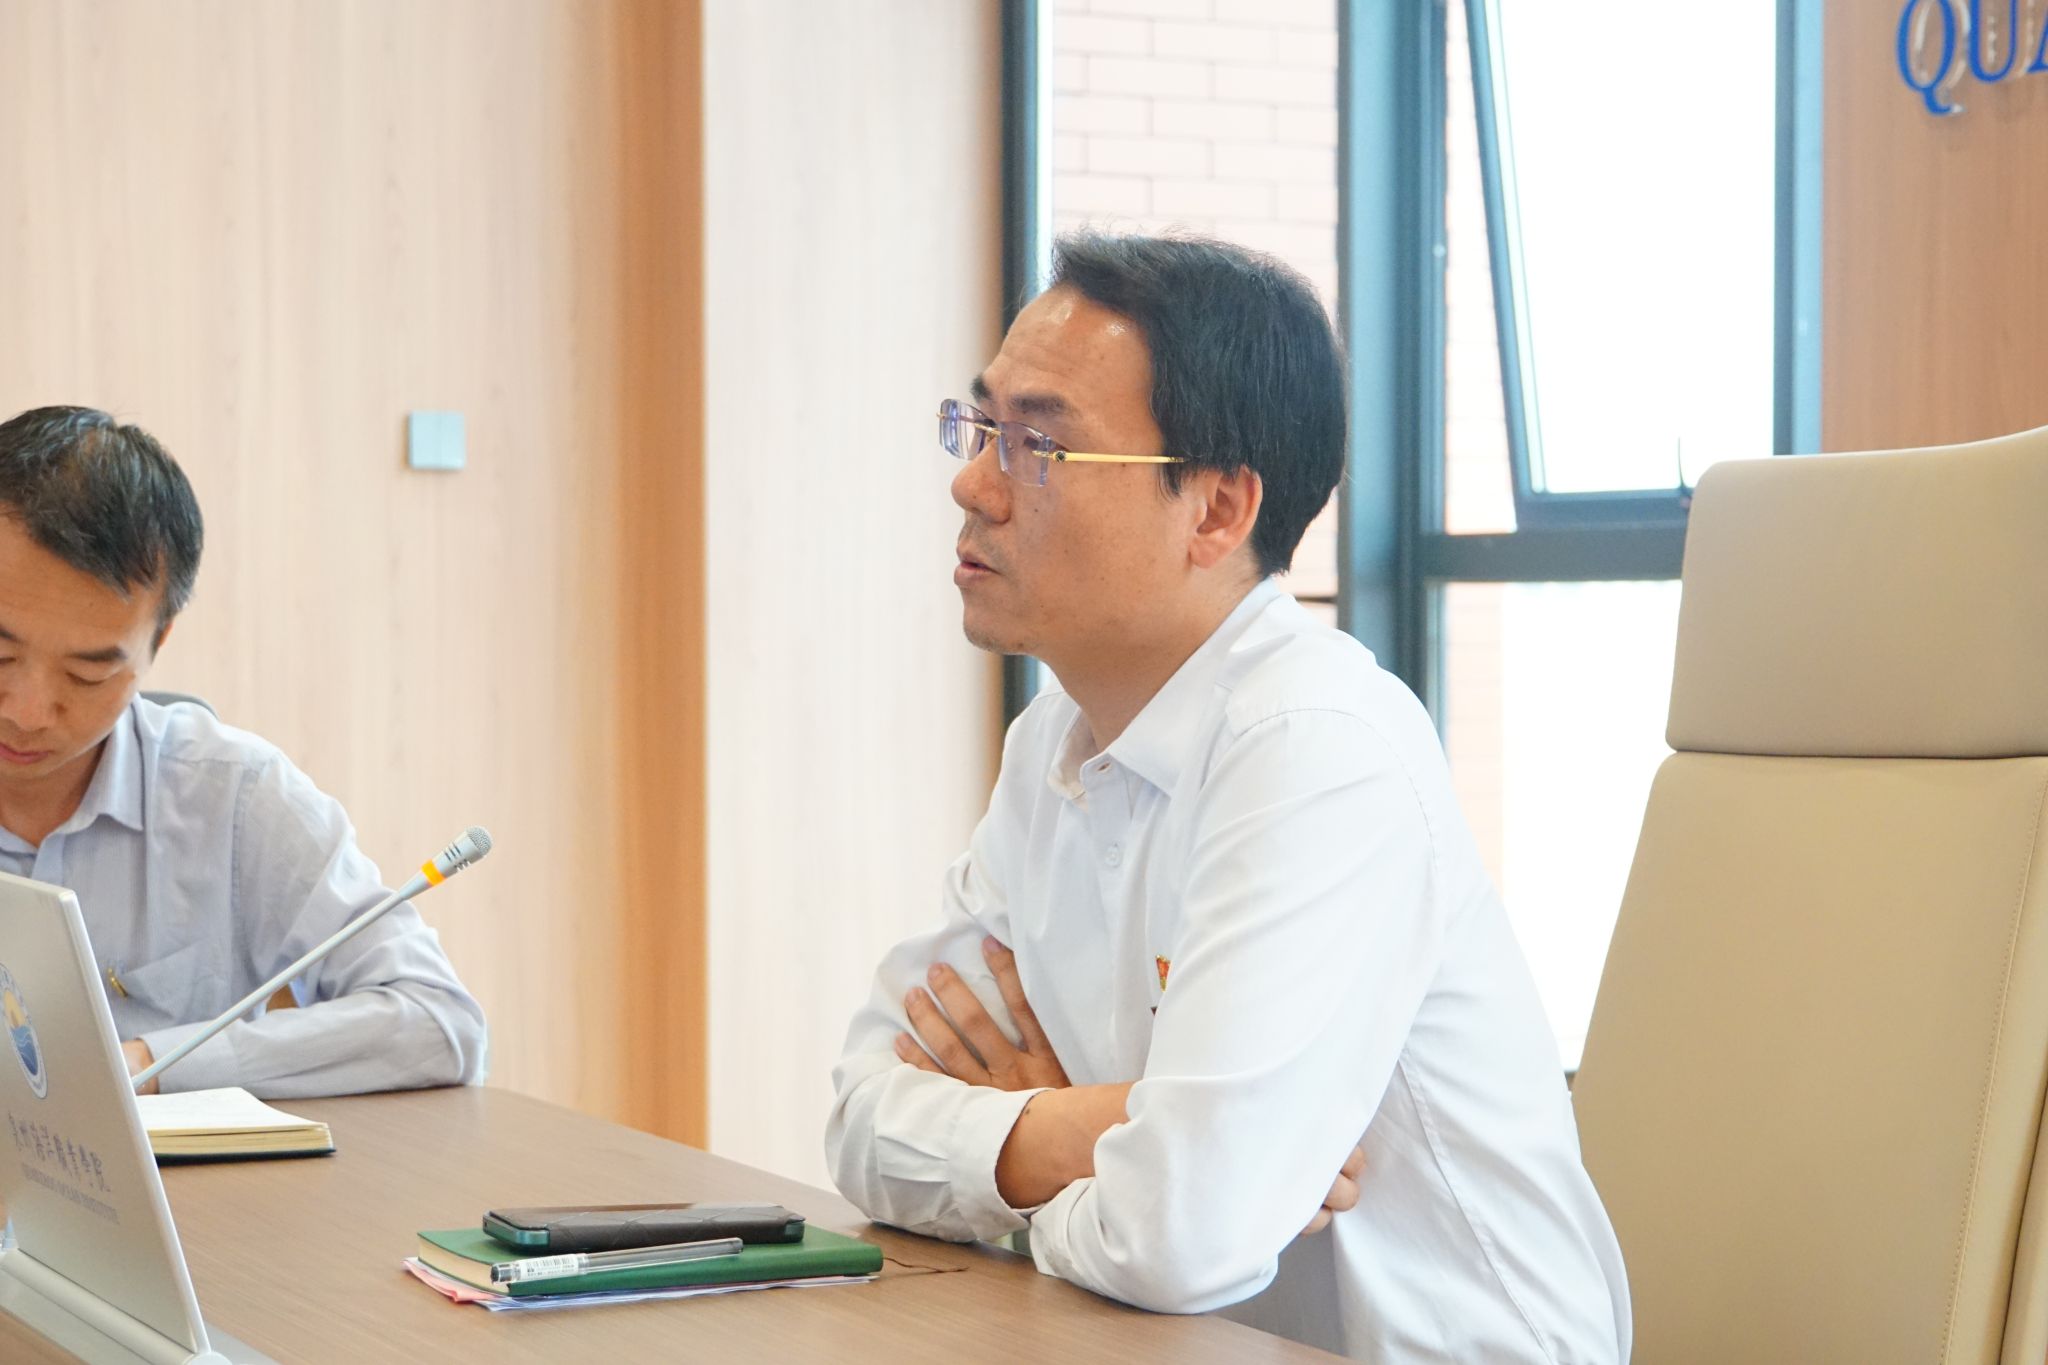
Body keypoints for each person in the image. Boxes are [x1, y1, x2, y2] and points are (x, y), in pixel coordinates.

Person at [824, 236, 1631, 1361]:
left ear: (1215, 511)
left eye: (1039, 446)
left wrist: (1031, 1168)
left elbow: (1177, 1237)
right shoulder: (1054, 739)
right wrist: (1091, 1128)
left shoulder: (1317, 749)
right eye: (981, 427)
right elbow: (861, 1118)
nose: (973, 484)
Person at [0, 405, 487, 1099]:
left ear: (158, 642)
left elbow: (438, 1021)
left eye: (87, 675)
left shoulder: (231, 797)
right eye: (1, 654)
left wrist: (152, 1064)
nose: (27, 711)